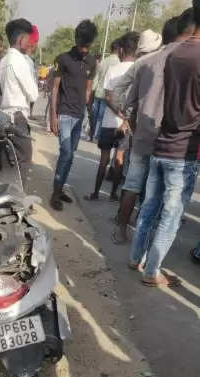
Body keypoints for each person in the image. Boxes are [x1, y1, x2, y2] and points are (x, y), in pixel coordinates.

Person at [129, 0, 200, 288]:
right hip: (184, 151)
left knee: (148, 208)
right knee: (170, 216)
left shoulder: (173, 54)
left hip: (162, 144)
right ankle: (152, 272)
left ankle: (136, 258)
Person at [112, 12, 196, 244]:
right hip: (170, 141)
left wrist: (128, 116)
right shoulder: (188, 61)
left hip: (143, 135)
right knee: (155, 194)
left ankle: (120, 229)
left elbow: (118, 91)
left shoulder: (144, 62)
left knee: (132, 184)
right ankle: (143, 240)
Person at [84, 32, 139, 203]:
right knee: (119, 159)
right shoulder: (139, 70)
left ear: (121, 50)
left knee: (104, 159)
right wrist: (126, 117)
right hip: (127, 124)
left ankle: (95, 193)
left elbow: (107, 97)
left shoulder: (113, 69)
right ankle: (114, 194)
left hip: (109, 122)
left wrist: (118, 112)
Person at [50, 20, 98, 211]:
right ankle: (55, 193)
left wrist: (89, 115)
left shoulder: (92, 61)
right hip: (64, 115)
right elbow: (55, 89)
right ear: (76, 38)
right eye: (82, 43)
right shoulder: (63, 59)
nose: (84, 48)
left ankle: (60, 189)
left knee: (71, 156)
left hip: (80, 116)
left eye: (88, 45)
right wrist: (52, 116)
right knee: (66, 153)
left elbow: (88, 90)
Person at [0, 18, 39, 188]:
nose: (30, 43)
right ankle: (19, 204)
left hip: (4, 116)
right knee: (23, 162)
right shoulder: (20, 61)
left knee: (9, 163)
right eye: (29, 39)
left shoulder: (4, 60)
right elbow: (34, 95)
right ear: (22, 39)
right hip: (17, 118)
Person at [90, 40, 120, 142]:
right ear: (119, 49)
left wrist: (92, 91)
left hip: (98, 92)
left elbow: (97, 78)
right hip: (107, 94)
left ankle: (91, 133)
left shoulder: (104, 61)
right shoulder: (118, 62)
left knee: (94, 115)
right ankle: (97, 136)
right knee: (101, 117)